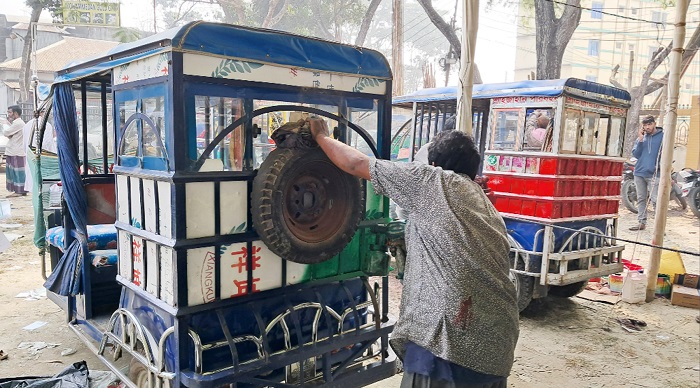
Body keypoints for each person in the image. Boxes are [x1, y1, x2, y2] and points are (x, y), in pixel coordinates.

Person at [307, 117, 519, 387]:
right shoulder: (481, 202)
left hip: (448, 342)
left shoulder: (433, 181)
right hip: (497, 345)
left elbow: (356, 164)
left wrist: (322, 137)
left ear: (432, 164)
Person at [630, 115, 663, 231]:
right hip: (639, 172)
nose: (647, 127)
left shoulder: (662, 136)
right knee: (641, 198)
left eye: (649, 124)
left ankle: (659, 227)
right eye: (645, 125)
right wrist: (640, 140)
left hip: (655, 174)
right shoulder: (641, 138)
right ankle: (641, 222)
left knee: (655, 200)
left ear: (654, 123)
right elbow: (636, 155)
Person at [23, 108, 56, 194]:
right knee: (43, 185)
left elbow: (24, 144)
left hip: (30, 156)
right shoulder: (46, 125)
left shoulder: (27, 125)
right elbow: (47, 143)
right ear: (43, 112)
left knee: (34, 184)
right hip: (43, 157)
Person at [4, 105, 27, 197]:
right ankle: (19, 190)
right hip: (14, 150)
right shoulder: (16, 123)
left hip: (16, 151)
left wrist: (5, 124)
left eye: (10, 112)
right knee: (14, 171)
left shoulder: (18, 123)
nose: (9, 114)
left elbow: (6, 133)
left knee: (18, 172)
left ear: (16, 113)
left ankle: (19, 191)